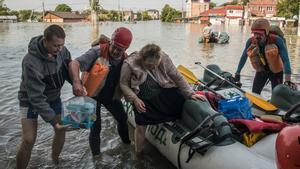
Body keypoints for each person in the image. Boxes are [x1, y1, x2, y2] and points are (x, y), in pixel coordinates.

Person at [120, 44, 206, 153]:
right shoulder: (129, 64)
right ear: (142, 60)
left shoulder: (164, 58)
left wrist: (190, 93)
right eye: (150, 66)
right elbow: (123, 84)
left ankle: (181, 126)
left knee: (181, 100)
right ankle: (138, 152)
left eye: (156, 64)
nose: (154, 68)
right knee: (141, 126)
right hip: (142, 97)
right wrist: (135, 99)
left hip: (163, 89)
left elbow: (177, 76)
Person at [16, 24, 74, 169]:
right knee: (29, 140)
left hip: (54, 97)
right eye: (55, 46)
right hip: (29, 100)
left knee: (61, 131)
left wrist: (77, 84)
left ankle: (55, 161)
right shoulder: (30, 61)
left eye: (62, 45)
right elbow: (36, 97)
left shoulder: (62, 51)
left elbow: (68, 69)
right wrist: (53, 122)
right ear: (45, 41)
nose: (59, 49)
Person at [69, 27, 132, 157]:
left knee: (123, 118)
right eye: (113, 46)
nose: (115, 51)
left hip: (110, 96)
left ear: (126, 49)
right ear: (110, 42)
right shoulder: (96, 51)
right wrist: (76, 82)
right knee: (95, 127)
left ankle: (127, 147)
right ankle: (96, 158)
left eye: (120, 49)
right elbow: (74, 63)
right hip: (91, 95)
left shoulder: (126, 60)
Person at [234, 18, 296, 95]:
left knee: (277, 95)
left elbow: (286, 60)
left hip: (276, 72)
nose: (257, 36)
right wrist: (237, 73)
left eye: (260, 34)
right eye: (255, 33)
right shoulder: (251, 41)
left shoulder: (277, 40)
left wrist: (287, 80)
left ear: (266, 33)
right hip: (262, 71)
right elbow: (244, 57)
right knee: (255, 94)